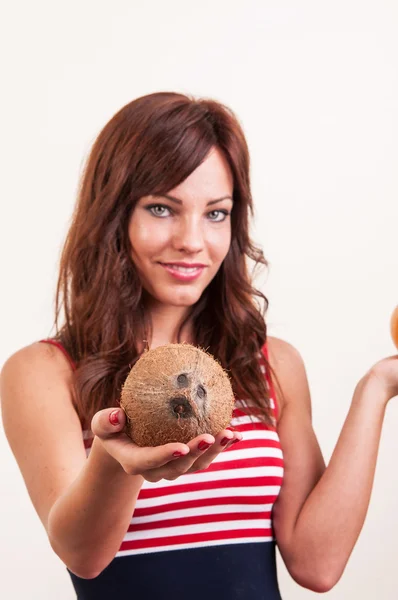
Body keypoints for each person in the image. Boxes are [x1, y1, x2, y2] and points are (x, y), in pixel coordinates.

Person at [1, 92, 397, 600]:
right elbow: (83, 555)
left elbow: (317, 565)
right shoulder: (45, 371)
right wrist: (116, 459)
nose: (192, 240)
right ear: (113, 216)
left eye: (216, 213)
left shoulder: (270, 363)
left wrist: (378, 386)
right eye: (162, 208)